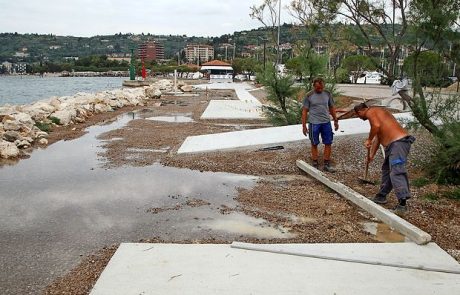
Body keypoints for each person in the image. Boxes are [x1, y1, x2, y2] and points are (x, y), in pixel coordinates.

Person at [354, 103, 416, 215]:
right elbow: (378, 137)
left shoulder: (371, 112)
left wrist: (368, 139)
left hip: (398, 144)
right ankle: (381, 196)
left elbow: (376, 126)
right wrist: (371, 156)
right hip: (393, 145)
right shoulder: (379, 113)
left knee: (396, 172)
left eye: (358, 116)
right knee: (387, 170)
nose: (359, 118)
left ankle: (402, 205)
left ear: (360, 111)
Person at [302, 77, 339, 172]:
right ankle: (315, 162)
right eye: (318, 88)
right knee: (314, 142)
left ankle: (326, 163)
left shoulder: (327, 94)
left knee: (328, 142)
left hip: (326, 122)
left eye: (322, 87)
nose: (320, 89)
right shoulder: (309, 95)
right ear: (314, 86)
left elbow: (332, 108)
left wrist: (335, 120)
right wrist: (304, 126)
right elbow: (305, 111)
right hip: (314, 123)